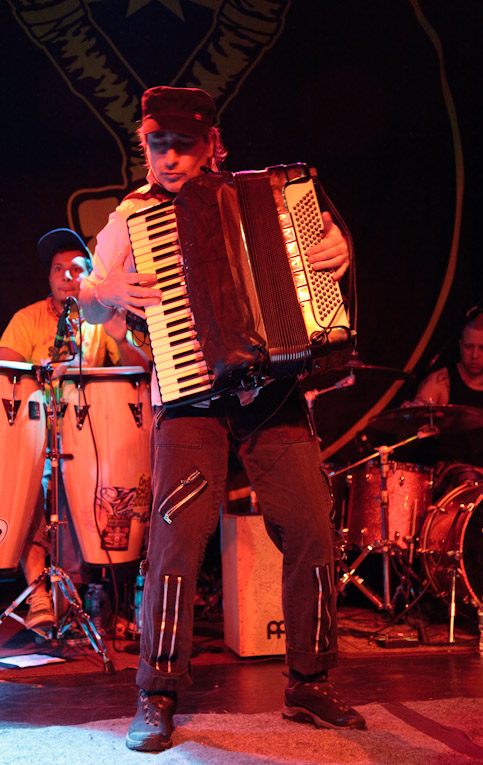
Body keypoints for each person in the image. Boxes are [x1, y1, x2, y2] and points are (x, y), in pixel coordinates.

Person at [80, 86, 366, 752]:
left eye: (184, 144)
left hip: (270, 392)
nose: (170, 158)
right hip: (191, 392)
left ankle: (309, 681)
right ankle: (157, 689)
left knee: (312, 521)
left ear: (214, 144)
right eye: (158, 145)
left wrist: (338, 251)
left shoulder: (267, 196)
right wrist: (105, 291)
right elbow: (90, 297)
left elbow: (322, 246)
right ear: (144, 144)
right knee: (178, 537)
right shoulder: (134, 215)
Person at [0, 228, 149, 633]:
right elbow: (5, 373)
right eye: (57, 269)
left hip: (88, 439)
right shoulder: (27, 319)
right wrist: (42, 373)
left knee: (107, 501)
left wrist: (124, 338)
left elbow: (143, 368)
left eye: (76, 269)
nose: (66, 276)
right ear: (48, 277)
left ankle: (111, 605)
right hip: (34, 437)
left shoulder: (100, 319)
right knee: (30, 501)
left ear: (90, 277)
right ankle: (40, 594)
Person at [414, 309, 483, 493]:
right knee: (468, 479)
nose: (475, 355)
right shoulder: (439, 383)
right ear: (460, 345)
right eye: (469, 347)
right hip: (451, 472)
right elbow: (414, 425)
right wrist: (415, 416)